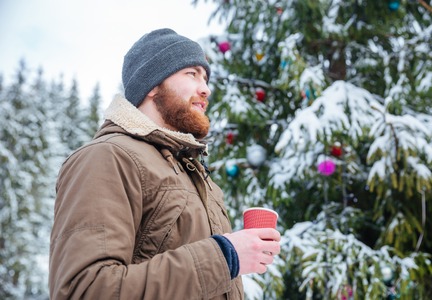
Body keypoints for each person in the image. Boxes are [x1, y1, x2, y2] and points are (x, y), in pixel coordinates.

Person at [49, 28, 281, 300]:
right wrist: (224, 256)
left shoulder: (195, 174)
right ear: (153, 85)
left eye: (205, 78)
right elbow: (85, 290)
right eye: (192, 74)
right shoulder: (107, 157)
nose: (205, 88)